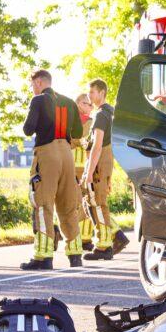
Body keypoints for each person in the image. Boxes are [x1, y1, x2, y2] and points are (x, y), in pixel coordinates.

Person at [21, 69, 84, 270]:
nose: (32, 89)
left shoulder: (38, 100)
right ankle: (75, 254)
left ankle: (43, 256)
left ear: (39, 82)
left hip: (47, 153)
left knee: (43, 204)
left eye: (32, 85)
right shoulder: (69, 102)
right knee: (68, 205)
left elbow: (28, 129)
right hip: (67, 154)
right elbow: (78, 132)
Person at [80, 78, 129, 260]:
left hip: (99, 163)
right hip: (106, 162)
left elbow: (97, 145)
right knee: (94, 202)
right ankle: (106, 242)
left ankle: (103, 246)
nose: (90, 96)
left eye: (92, 92)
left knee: (97, 203)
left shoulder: (101, 115)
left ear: (102, 93)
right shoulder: (111, 112)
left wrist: (89, 172)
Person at [73, 93, 95, 250]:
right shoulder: (72, 122)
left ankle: (85, 239)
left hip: (86, 168)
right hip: (72, 169)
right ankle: (79, 237)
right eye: (88, 104)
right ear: (79, 104)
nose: (91, 107)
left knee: (86, 202)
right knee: (77, 203)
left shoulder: (91, 122)